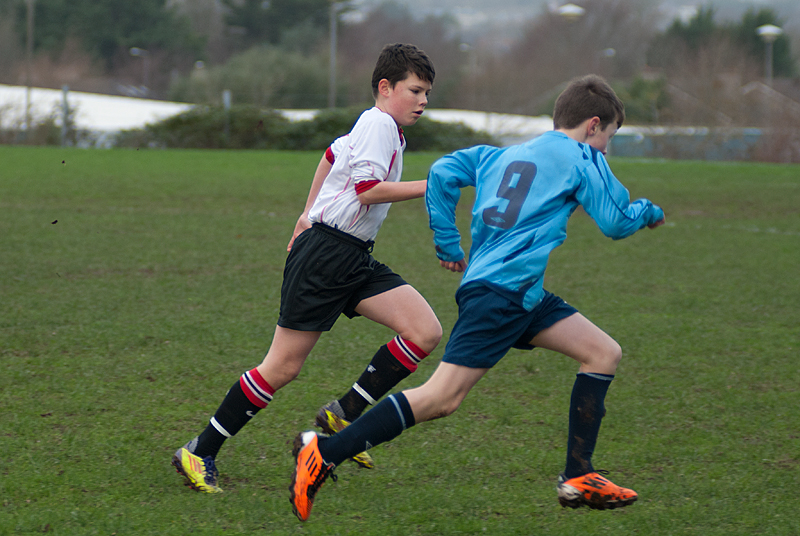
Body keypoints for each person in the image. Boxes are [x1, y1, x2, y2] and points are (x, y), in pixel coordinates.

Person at [289, 74, 666, 521]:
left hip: (516, 293)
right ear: (593, 124)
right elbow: (617, 221)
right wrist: (648, 212)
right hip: (502, 294)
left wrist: (448, 240)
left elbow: (446, 172)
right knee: (441, 397)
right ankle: (325, 451)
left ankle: (578, 475)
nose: (607, 147)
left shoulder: (503, 153)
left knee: (603, 352)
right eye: (610, 137)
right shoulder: (584, 157)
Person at [172, 43, 442, 493]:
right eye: (416, 90)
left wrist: (306, 211)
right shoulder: (378, 123)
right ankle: (199, 450)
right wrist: (432, 184)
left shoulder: (383, 128)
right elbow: (368, 190)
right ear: (385, 87)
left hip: (350, 255)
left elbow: (332, 154)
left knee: (423, 330)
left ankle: (341, 418)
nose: (423, 101)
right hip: (326, 256)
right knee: (281, 367)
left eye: (427, 93)